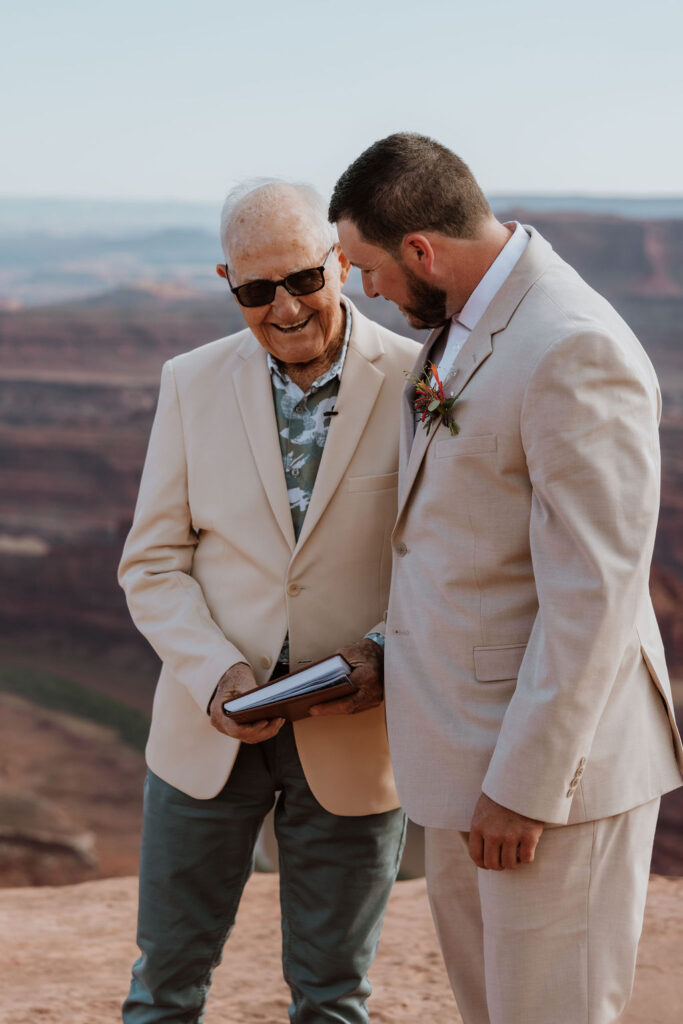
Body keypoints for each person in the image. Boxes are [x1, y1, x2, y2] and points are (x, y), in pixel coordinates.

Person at [323, 133, 683, 1024]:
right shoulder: (463, 328)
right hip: (458, 760)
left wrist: (521, 787)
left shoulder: (570, 346)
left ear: (420, 249)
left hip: (547, 782)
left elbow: (592, 595)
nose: (363, 292)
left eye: (366, 267)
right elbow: (453, 546)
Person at [118, 178, 419, 1023]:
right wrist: (214, 673)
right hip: (207, 728)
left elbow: (450, 564)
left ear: (340, 264)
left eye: (301, 280)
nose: (283, 308)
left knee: (332, 998)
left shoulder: (420, 384)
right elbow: (152, 563)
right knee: (164, 987)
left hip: (358, 733)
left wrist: (386, 651)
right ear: (227, 282)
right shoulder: (189, 381)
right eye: (255, 291)